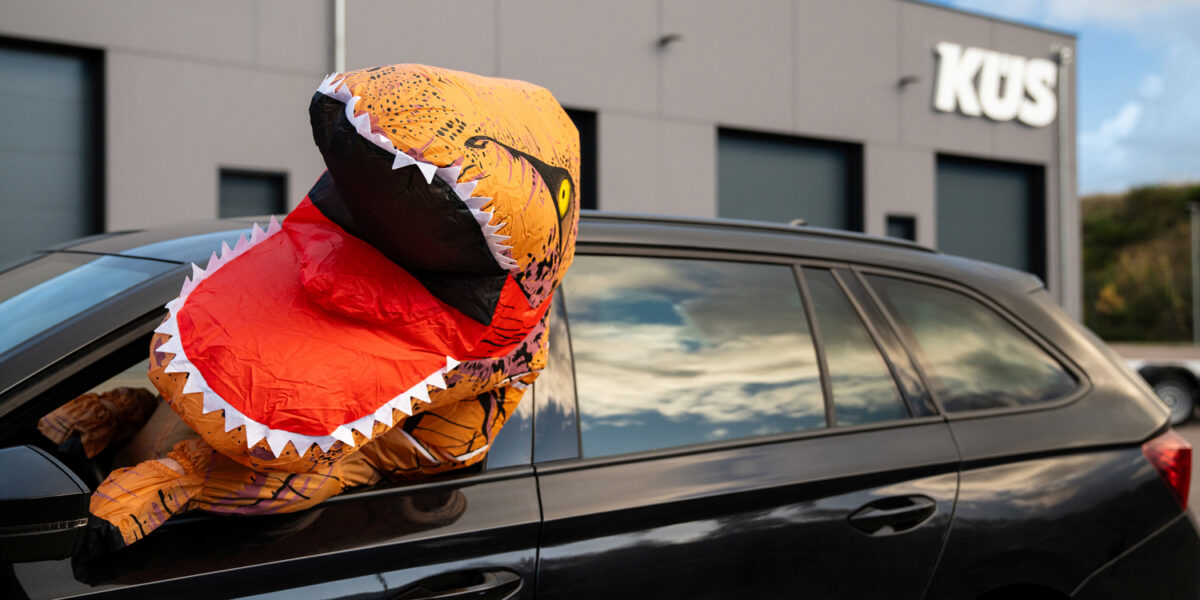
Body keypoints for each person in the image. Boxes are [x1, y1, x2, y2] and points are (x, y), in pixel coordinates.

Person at [39, 63, 581, 552]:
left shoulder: (506, 327)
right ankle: (114, 415)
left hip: (418, 483)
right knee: (211, 386)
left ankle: (177, 481)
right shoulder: (342, 251)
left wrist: (184, 476)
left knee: (315, 460)